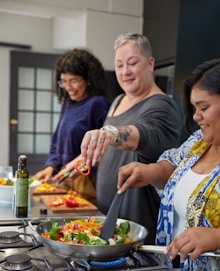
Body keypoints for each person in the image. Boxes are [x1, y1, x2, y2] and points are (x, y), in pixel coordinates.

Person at [117, 55, 220, 271]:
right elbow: (173, 166)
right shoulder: (199, 141)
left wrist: (219, 237)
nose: (196, 117)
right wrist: (150, 172)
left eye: (204, 107)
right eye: (194, 108)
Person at [54, 33, 182, 244]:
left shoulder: (161, 105)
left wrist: (109, 133)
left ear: (150, 64)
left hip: (136, 224)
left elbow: (141, 134)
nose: (125, 72)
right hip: (107, 214)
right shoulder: (118, 101)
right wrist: (79, 162)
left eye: (132, 63)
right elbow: (108, 150)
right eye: (119, 65)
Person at [34, 48, 110, 204]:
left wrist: (77, 165)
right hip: (64, 175)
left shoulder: (98, 104)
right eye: (64, 82)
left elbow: (105, 148)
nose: (68, 87)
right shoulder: (68, 104)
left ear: (88, 79)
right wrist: (51, 166)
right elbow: (57, 141)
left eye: (73, 81)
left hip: (86, 179)